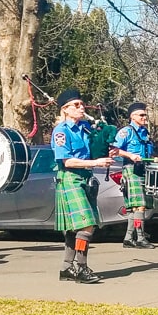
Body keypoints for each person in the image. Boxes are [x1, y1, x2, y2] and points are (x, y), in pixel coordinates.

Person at [51, 88, 116, 284]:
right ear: (65, 109)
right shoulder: (61, 131)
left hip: (85, 178)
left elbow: (94, 150)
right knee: (86, 224)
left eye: (82, 104)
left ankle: (66, 268)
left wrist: (107, 150)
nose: (81, 107)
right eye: (76, 105)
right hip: (70, 178)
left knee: (75, 228)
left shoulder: (85, 128)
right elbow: (67, 161)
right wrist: (96, 163)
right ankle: (81, 268)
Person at [112, 101, 158, 249]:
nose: (144, 118)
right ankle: (140, 237)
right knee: (139, 206)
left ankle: (128, 238)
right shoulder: (126, 132)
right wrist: (130, 155)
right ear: (132, 116)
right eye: (141, 115)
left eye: (145, 115)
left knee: (135, 208)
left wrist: (157, 159)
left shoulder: (145, 132)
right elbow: (113, 149)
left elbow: (149, 152)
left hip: (143, 169)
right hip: (131, 169)